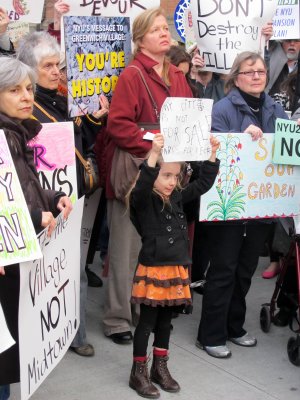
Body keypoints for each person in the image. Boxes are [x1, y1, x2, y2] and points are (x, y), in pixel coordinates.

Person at [100, 7, 193, 345]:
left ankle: (144, 308)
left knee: (154, 247)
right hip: (138, 168)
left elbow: (187, 118)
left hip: (169, 170)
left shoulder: (178, 76)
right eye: (156, 30)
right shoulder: (132, 75)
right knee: (126, 246)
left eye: (165, 28)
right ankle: (117, 319)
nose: (164, 33)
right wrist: (152, 139)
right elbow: (118, 125)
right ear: (140, 40)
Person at [17, 31, 109, 356]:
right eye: (48, 66)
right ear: (28, 69)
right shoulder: (24, 109)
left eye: (58, 64)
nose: (57, 71)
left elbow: (79, 143)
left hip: (68, 198)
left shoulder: (62, 99)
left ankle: (74, 334)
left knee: (72, 267)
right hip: (39, 205)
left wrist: (93, 122)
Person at [196, 51, 288, 359]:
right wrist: (238, 136)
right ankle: (210, 334)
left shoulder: (275, 108)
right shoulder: (223, 109)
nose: (258, 76)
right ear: (236, 78)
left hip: (261, 204)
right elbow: (210, 145)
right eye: (250, 72)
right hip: (229, 204)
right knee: (224, 269)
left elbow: (286, 151)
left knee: (246, 269)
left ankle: (234, 327)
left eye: (261, 71)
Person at [0, 56, 72, 400]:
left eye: (29, 89)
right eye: (14, 90)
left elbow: (22, 186)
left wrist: (53, 196)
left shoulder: (15, 131)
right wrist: (33, 217)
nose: (26, 96)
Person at [128, 133, 219, 398]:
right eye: (165, 175)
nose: (171, 182)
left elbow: (202, 184)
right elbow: (142, 187)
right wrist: (154, 155)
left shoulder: (177, 197)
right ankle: (138, 372)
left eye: (175, 176)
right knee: (146, 324)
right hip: (154, 270)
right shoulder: (144, 201)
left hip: (176, 269)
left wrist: (211, 155)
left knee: (166, 323)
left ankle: (160, 368)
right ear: (155, 173)